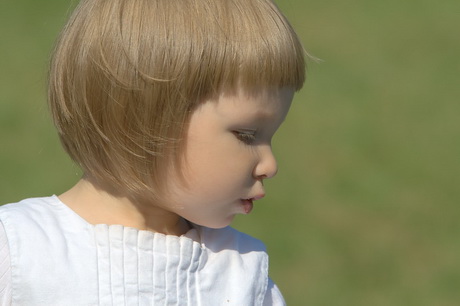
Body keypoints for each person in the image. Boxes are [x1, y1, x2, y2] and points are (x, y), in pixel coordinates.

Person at [0, 0, 306, 304]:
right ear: (141, 116)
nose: (270, 165)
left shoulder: (244, 275)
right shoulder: (19, 251)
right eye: (247, 134)